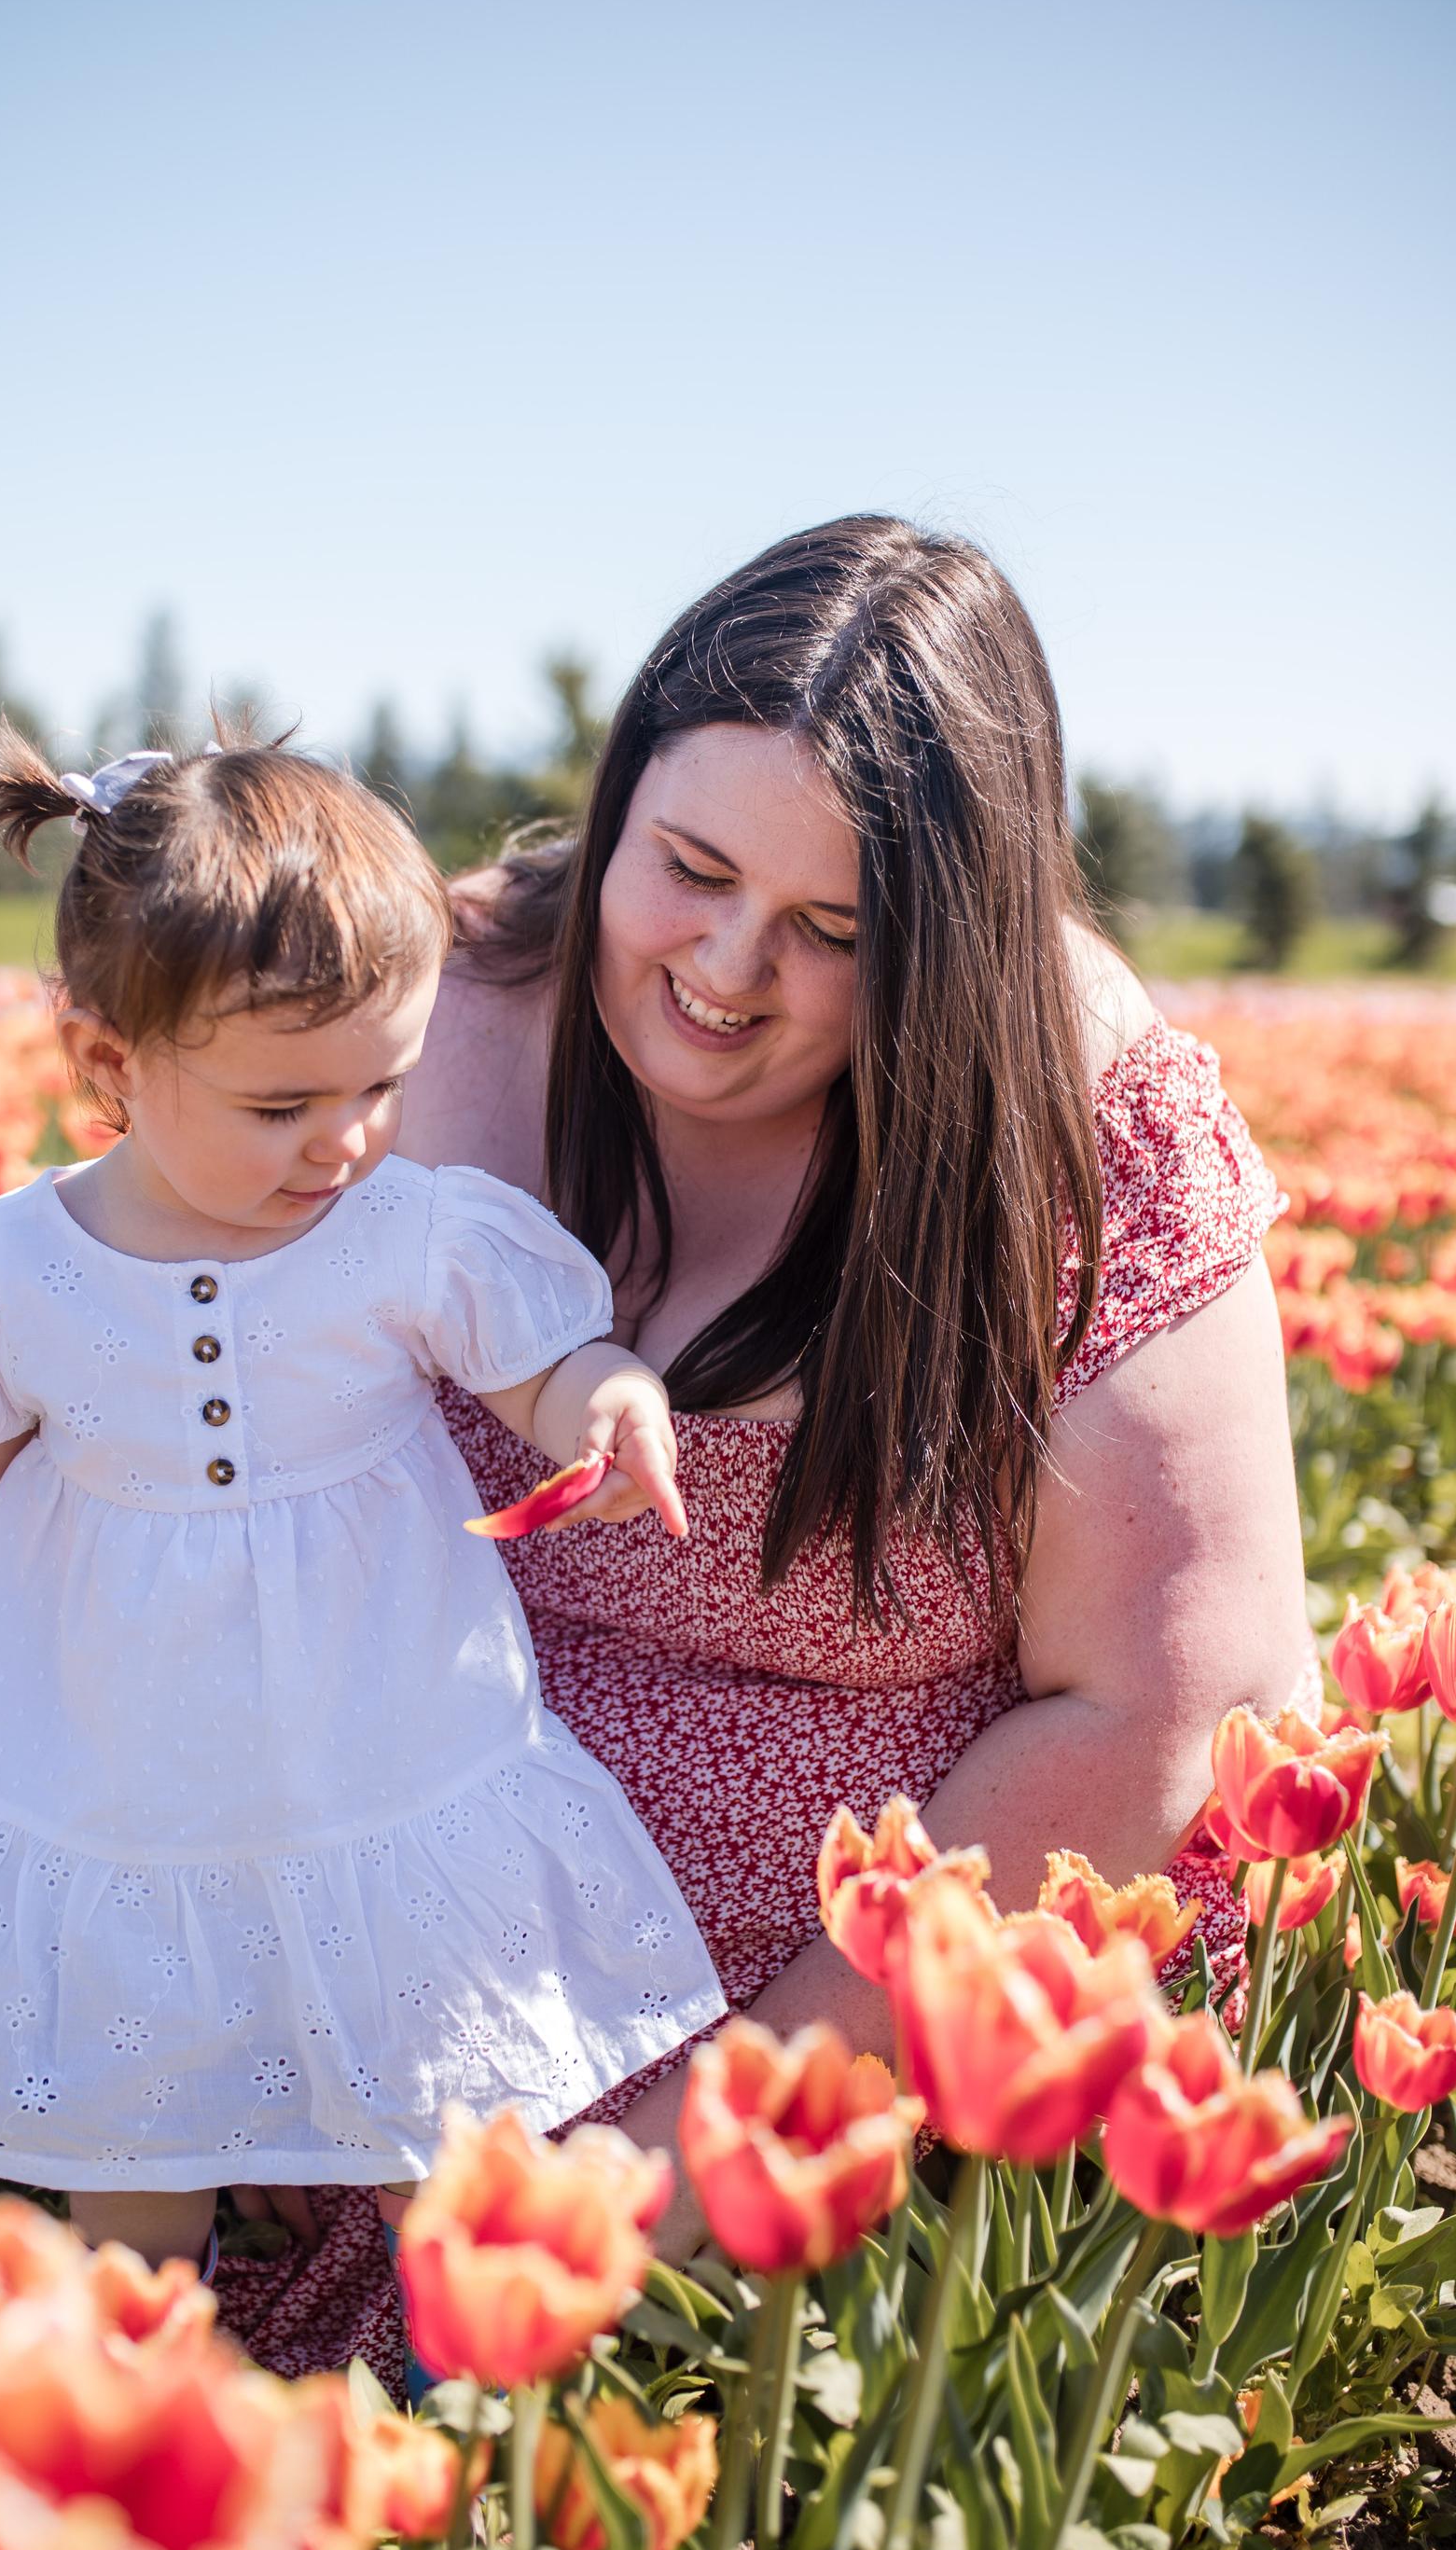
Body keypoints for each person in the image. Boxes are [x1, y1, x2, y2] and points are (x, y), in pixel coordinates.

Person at [209, 515, 1312, 2392]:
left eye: (832, 931)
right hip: (414, 1936)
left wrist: (674, 2170)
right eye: (690, 870)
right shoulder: (419, 1013)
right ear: (615, 796)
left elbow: (1154, 1716)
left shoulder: (1074, 1118)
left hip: (895, 2006)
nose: (726, 970)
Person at [0, 730, 725, 2278]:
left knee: (435, 2064)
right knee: (139, 2092)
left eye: (383, 1080)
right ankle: (148, 2330)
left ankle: (466, 2353)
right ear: (107, 1062)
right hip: (123, 1758)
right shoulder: (19, 1272)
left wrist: (607, 1403)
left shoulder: (404, 1232)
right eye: (284, 1103)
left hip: (380, 1729)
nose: (349, 1137)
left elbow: (534, 1369)